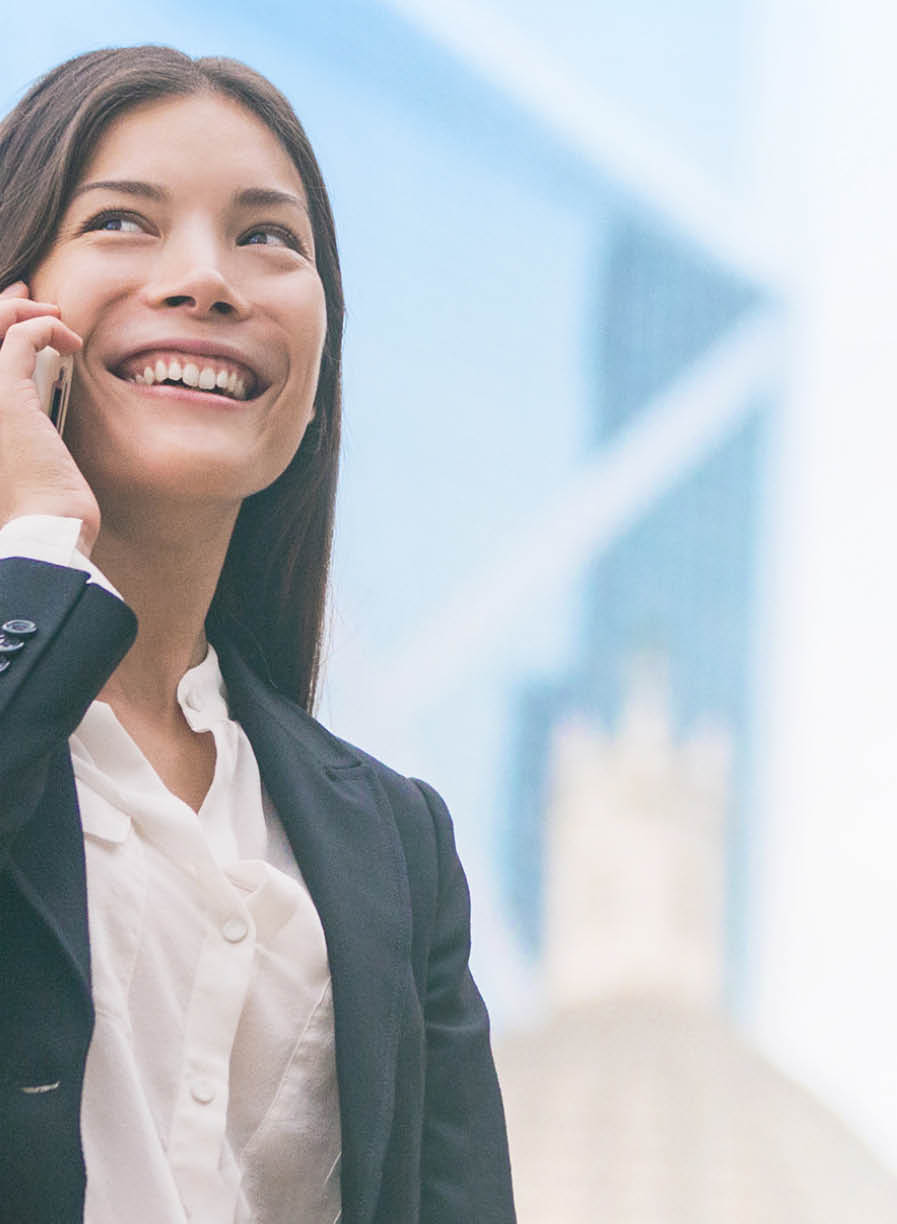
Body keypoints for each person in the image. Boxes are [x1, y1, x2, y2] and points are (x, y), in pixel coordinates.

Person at [0, 46, 516, 1222]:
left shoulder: (396, 845)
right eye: (122, 221)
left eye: (268, 238)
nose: (207, 281)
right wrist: (34, 541)